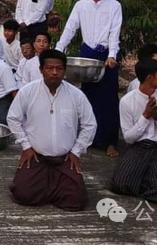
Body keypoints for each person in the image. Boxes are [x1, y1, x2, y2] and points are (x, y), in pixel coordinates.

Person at [7, 49, 97, 211]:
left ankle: (50, 187)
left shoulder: (76, 95)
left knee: (76, 200)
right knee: (23, 193)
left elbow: (90, 124)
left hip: (64, 159)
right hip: (36, 156)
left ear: (64, 70)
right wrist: (26, 146)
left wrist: (77, 151)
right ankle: (50, 187)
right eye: (49, 68)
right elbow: (13, 118)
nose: (54, 72)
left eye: (59, 68)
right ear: (41, 70)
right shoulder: (28, 91)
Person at [55, 0, 123, 157]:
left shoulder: (114, 5)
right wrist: (59, 50)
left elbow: (114, 32)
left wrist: (112, 54)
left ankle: (110, 141)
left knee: (109, 98)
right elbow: (70, 28)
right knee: (88, 96)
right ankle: (89, 138)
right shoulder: (81, 5)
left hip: (106, 55)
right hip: (87, 52)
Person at [110, 59, 157, 204]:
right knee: (120, 184)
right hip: (138, 147)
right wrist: (145, 116)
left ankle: (147, 178)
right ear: (149, 78)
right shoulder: (128, 101)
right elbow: (129, 138)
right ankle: (145, 179)